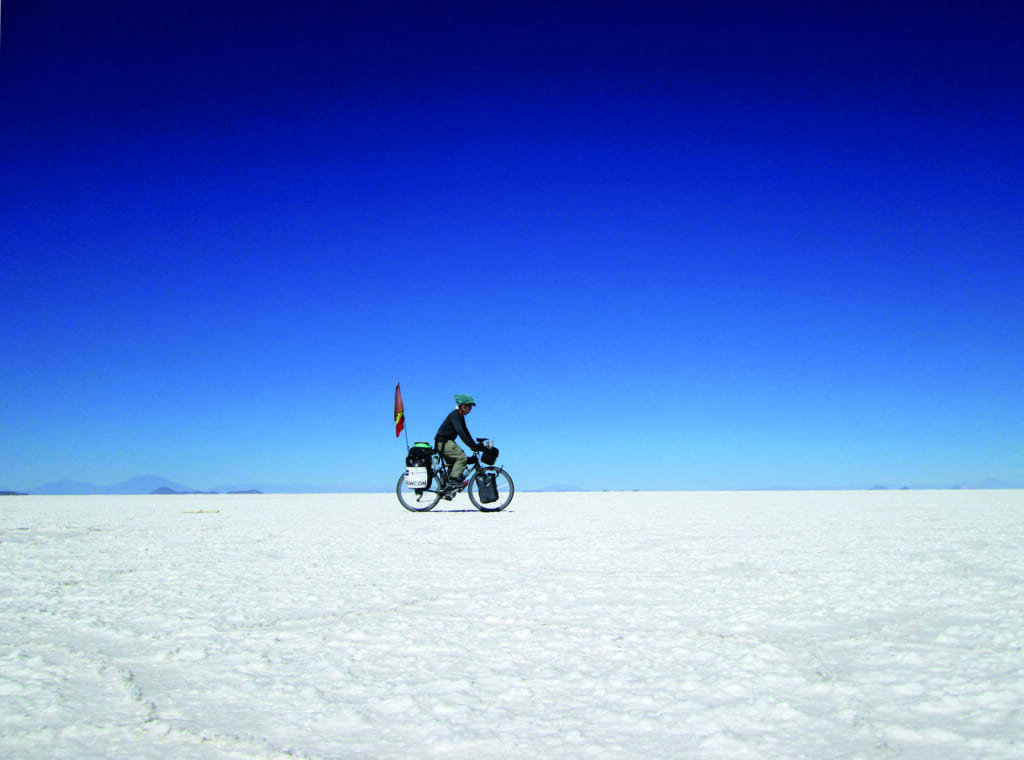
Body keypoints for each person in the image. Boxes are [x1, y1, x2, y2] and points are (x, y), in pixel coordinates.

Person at [435, 394, 484, 491]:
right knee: (461, 458)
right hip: (443, 442)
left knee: (457, 464)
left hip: (445, 443)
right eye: (469, 406)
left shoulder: (460, 417)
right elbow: (460, 432)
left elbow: (466, 432)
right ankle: (453, 480)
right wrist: (471, 445)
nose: (470, 408)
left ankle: (447, 488)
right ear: (462, 406)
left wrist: (473, 444)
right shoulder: (455, 415)